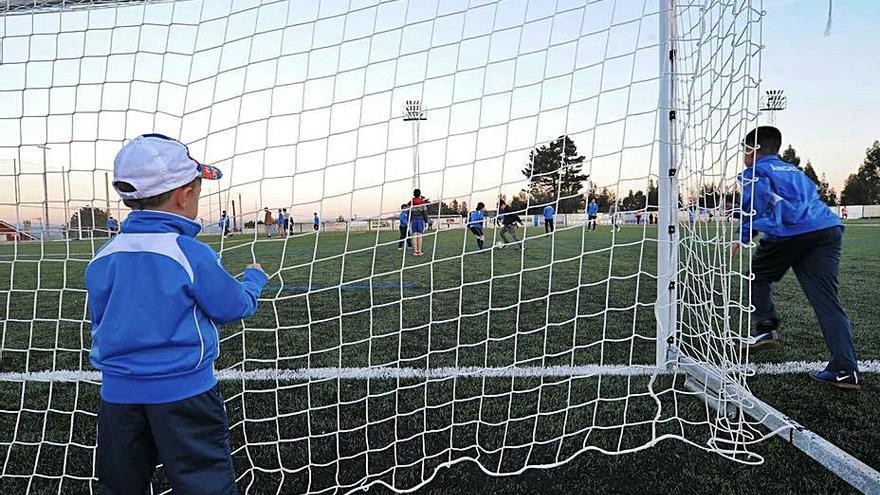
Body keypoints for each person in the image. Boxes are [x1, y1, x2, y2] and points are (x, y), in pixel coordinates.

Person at [85, 133, 268, 493]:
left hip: (118, 399)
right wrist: (254, 280)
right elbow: (233, 306)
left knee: (120, 485)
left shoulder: (103, 255)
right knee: (205, 482)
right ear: (185, 195)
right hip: (186, 395)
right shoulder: (189, 252)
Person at [733, 126, 858, 389]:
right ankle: (845, 370)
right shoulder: (795, 171)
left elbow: (756, 199)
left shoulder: (756, 171)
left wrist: (743, 235)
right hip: (827, 230)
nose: (744, 155)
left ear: (753, 150)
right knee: (827, 302)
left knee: (755, 277)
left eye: (745, 149)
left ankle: (766, 328)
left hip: (792, 231)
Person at [407, 189, 428, 256]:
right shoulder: (422, 202)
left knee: (414, 235)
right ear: (420, 194)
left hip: (413, 220)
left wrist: (409, 220)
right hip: (420, 220)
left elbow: (408, 212)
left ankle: (415, 251)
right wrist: (426, 221)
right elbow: (425, 212)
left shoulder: (411, 202)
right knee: (420, 236)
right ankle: (419, 251)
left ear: (414, 194)